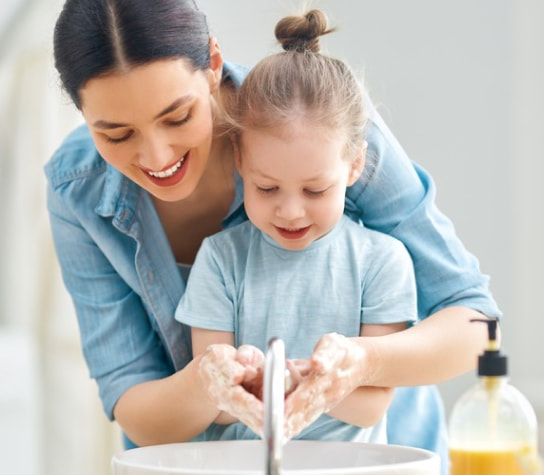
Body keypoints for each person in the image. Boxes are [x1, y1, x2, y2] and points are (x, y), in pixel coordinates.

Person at [46, 0, 501, 471]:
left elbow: (476, 324)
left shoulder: (318, 118)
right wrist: (205, 384)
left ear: (212, 64)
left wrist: (362, 363)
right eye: (117, 135)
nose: (157, 155)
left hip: (382, 457)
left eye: (177, 117)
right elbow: (131, 398)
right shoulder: (77, 188)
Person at [174, 9, 417, 444]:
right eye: (266, 188)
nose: (290, 212)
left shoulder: (382, 262)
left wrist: (292, 381)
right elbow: (217, 405)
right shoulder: (221, 259)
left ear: (355, 165)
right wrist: (239, 379)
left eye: (315, 191)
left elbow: (371, 407)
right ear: (240, 161)